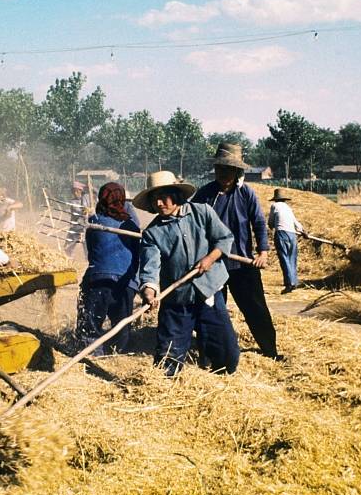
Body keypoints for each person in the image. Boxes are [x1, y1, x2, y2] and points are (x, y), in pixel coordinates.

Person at [134, 170, 240, 377]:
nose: (159, 204)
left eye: (163, 197)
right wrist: (149, 290)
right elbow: (150, 266)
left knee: (225, 349)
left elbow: (224, 238)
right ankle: (166, 385)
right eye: (154, 200)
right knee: (168, 355)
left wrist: (210, 259)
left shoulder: (202, 213)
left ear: (176, 195)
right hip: (177, 299)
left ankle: (222, 376)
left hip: (208, 291)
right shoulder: (152, 233)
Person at [191, 142, 282, 361]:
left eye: (229, 169)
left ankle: (270, 351)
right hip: (213, 263)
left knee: (256, 309)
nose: (224, 173)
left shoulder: (246, 194)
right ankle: (210, 356)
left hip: (242, 264)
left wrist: (263, 252)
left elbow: (259, 223)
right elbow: (192, 225)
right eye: (220, 168)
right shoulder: (204, 195)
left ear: (237, 171)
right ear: (215, 169)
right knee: (210, 311)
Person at [76, 182, 141, 356]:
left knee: (90, 325)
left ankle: (92, 354)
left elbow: (91, 253)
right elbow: (138, 256)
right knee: (122, 326)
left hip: (99, 281)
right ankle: (117, 353)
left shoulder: (94, 222)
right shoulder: (132, 227)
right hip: (126, 284)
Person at [268, 188, 307, 293]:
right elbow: (295, 222)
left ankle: (289, 284)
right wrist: (303, 231)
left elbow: (270, 222)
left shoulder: (274, 206)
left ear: (275, 199)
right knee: (292, 258)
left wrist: (271, 226)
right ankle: (294, 282)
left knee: (284, 258)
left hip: (281, 234)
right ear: (284, 199)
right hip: (292, 234)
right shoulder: (288, 208)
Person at [65, 181, 91, 257]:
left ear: (80, 191)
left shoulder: (86, 199)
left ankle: (88, 261)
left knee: (87, 247)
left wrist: (90, 210)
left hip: (86, 227)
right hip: (76, 227)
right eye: (74, 191)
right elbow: (77, 210)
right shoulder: (73, 202)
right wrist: (85, 210)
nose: (75, 193)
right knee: (68, 247)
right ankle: (68, 259)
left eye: (77, 191)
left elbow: (91, 210)